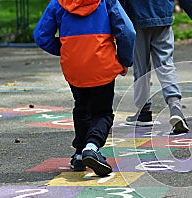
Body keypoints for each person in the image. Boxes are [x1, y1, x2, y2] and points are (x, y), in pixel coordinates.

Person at [33, 0, 136, 176]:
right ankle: (92, 146)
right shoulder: (106, 2)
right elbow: (127, 31)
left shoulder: (58, 3)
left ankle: (80, 153)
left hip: (74, 66)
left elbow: (41, 35)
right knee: (102, 112)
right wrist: (124, 59)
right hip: (102, 63)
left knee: (81, 107)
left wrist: (68, 50)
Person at [120, 0, 192, 133]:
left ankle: (144, 111)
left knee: (141, 68)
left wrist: (120, 18)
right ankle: (175, 106)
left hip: (136, 17)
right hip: (162, 14)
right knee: (165, 64)